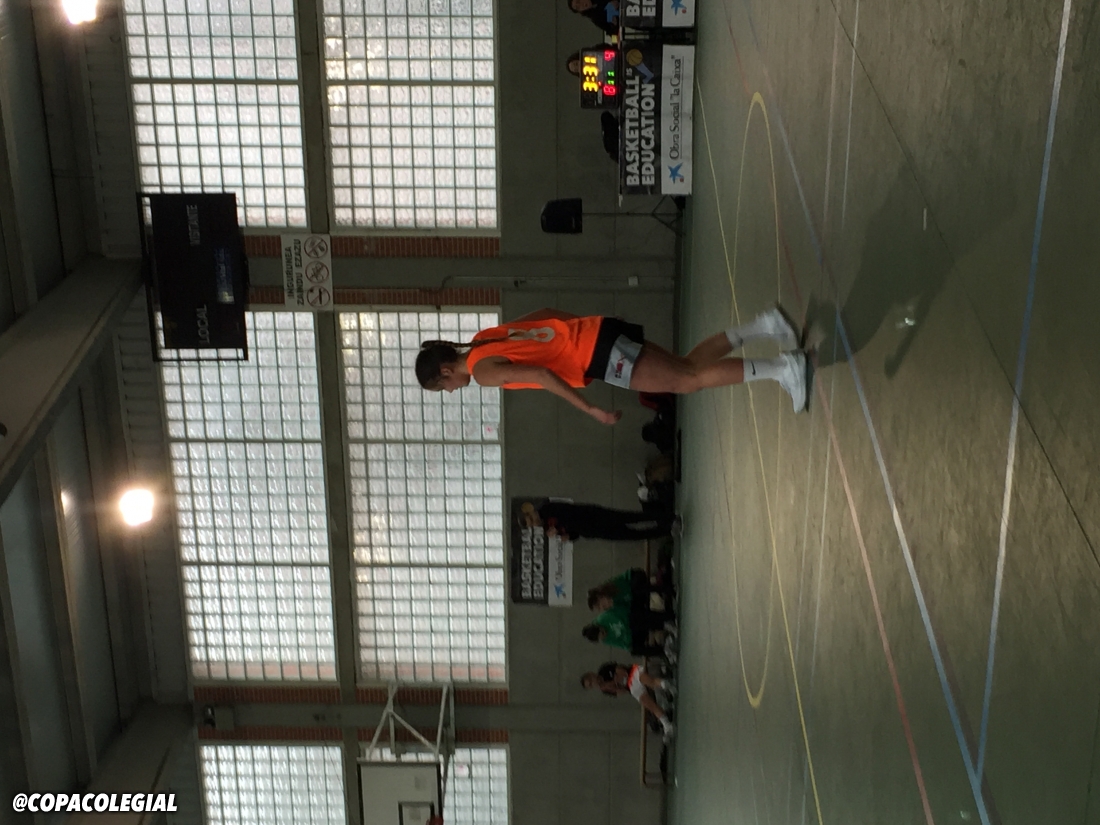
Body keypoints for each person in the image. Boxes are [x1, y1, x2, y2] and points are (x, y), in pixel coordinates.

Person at [414, 307, 808, 421]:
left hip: (596, 356)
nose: (449, 391)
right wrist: (590, 324)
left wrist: (589, 408)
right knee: (686, 365)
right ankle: (765, 325)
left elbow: (540, 374)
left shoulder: (482, 370)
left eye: (441, 387)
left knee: (687, 381)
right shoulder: (484, 338)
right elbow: (548, 313)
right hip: (595, 332)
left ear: (445, 372)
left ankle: (783, 368)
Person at [582, 662, 676, 740]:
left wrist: (615, 680)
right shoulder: (604, 689)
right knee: (648, 704)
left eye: (591, 681)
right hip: (630, 687)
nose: (593, 683)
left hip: (633, 673)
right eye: (591, 686)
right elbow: (622, 691)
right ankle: (667, 725)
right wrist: (612, 687)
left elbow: (622, 672)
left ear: (592, 674)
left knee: (650, 682)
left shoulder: (604, 669)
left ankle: (667, 685)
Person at [540, 500, 674, 542]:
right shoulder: (547, 528)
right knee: (632, 535)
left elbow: (570, 511)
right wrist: (568, 537)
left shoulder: (549, 510)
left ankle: (667, 517)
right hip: (593, 531)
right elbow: (575, 533)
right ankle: (666, 530)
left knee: (632, 518)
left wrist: (558, 527)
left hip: (594, 516)